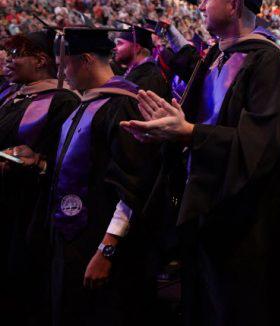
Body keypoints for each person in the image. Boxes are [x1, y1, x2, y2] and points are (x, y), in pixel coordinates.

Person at [121, 0, 280, 325]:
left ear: (234, 5)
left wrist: (188, 132)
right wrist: (165, 131)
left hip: (248, 228)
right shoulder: (217, 56)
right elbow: (194, 124)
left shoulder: (268, 63)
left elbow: (261, 147)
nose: (200, 6)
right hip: (208, 217)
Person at [49, 28, 160, 326]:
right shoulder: (85, 102)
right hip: (74, 235)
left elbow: (133, 181)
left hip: (101, 241)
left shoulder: (123, 103)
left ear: (84, 60)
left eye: (66, 64)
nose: (63, 72)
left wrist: (106, 249)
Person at [0, 31, 79, 325]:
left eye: (16, 54)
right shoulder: (11, 94)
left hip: (28, 210)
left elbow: (66, 161)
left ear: (41, 60)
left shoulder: (62, 101)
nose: (8, 60)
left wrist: (36, 163)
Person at [114, 25, 170, 98]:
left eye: (120, 43)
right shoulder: (139, 72)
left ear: (136, 48)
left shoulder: (149, 79)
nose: (115, 48)